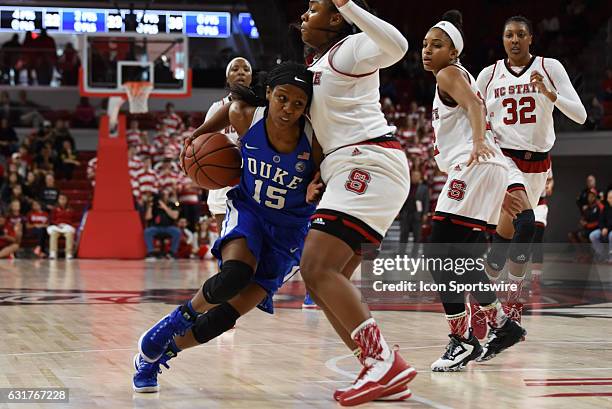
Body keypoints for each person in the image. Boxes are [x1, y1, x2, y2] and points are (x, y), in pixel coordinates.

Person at [134, 62, 319, 393]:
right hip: (249, 209)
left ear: (307, 108)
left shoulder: (313, 140)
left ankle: (158, 357)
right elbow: (228, 109)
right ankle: (171, 324)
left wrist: (317, 182)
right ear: (268, 96)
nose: (288, 109)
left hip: (289, 231)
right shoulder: (246, 115)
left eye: (297, 104)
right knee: (233, 275)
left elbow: (328, 171)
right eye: (281, 98)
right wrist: (197, 136)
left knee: (225, 317)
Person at [298, 1, 415, 405]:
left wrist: (348, 4)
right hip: (348, 168)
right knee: (321, 280)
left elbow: (398, 46)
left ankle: (384, 361)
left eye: (313, 8)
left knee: (316, 265)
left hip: (367, 160)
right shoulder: (317, 66)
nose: (303, 15)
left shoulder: (347, 50)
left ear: (334, 19)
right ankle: (377, 367)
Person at [422, 10, 525, 369]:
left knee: (437, 251)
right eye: (425, 44)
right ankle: (500, 325)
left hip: (477, 164)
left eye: (437, 45)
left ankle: (462, 340)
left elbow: (474, 105)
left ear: (453, 53)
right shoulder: (450, 75)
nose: (427, 50)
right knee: (461, 258)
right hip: (487, 167)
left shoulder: (449, 74)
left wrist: (478, 141)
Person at [476, 15, 587, 326]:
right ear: (502, 40)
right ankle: (513, 300)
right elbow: (472, 111)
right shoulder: (488, 74)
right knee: (526, 224)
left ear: (530, 39)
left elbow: (580, 115)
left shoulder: (549, 67)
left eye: (520, 34)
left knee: (504, 241)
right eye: (508, 34)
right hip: (503, 159)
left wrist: (551, 95)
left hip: (538, 163)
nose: (514, 39)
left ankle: (482, 298)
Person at [205, 57, 253, 228]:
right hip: (223, 180)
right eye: (235, 69)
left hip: (253, 180)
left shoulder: (262, 108)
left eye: (246, 69)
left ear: (251, 77)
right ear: (227, 78)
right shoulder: (216, 108)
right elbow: (204, 144)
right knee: (225, 244)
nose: (241, 72)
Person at [143, 190, 181, 260]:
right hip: (156, 227)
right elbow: (147, 217)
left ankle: (172, 253)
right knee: (147, 231)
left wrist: (165, 208)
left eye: (166, 195)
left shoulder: (172, 204)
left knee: (177, 232)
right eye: (163, 195)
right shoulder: (155, 205)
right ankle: (151, 253)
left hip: (169, 227)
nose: (164, 196)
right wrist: (150, 206)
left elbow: (175, 216)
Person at [47, 193, 75, 259]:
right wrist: (57, 224)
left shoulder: (71, 210)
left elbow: (73, 220)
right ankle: (53, 253)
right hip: (57, 227)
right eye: (60, 199)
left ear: (66, 200)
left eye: (63, 199)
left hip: (67, 227)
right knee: (53, 234)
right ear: (58, 200)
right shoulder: (54, 209)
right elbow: (52, 219)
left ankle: (69, 253)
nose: (62, 200)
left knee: (69, 234)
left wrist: (66, 224)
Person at [589, 189, 612, 262]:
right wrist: (602, 229)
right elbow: (600, 220)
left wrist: (607, 229)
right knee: (592, 235)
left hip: (610, 230)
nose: (609, 199)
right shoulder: (606, 208)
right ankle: (603, 255)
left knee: (611, 235)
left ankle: (611, 257)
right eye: (608, 197)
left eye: (611, 197)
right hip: (604, 229)